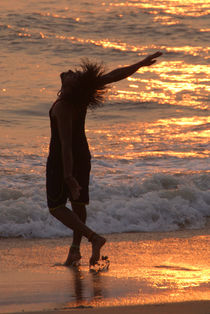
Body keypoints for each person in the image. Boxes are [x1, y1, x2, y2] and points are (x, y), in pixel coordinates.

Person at [46, 51, 162, 267]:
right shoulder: (81, 94)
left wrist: (68, 175)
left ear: (72, 86)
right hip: (83, 154)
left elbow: (66, 145)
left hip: (64, 159)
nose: (71, 71)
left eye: (74, 74)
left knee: (56, 207)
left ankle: (93, 238)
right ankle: (74, 250)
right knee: (78, 203)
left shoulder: (63, 107)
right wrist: (140, 64)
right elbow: (115, 75)